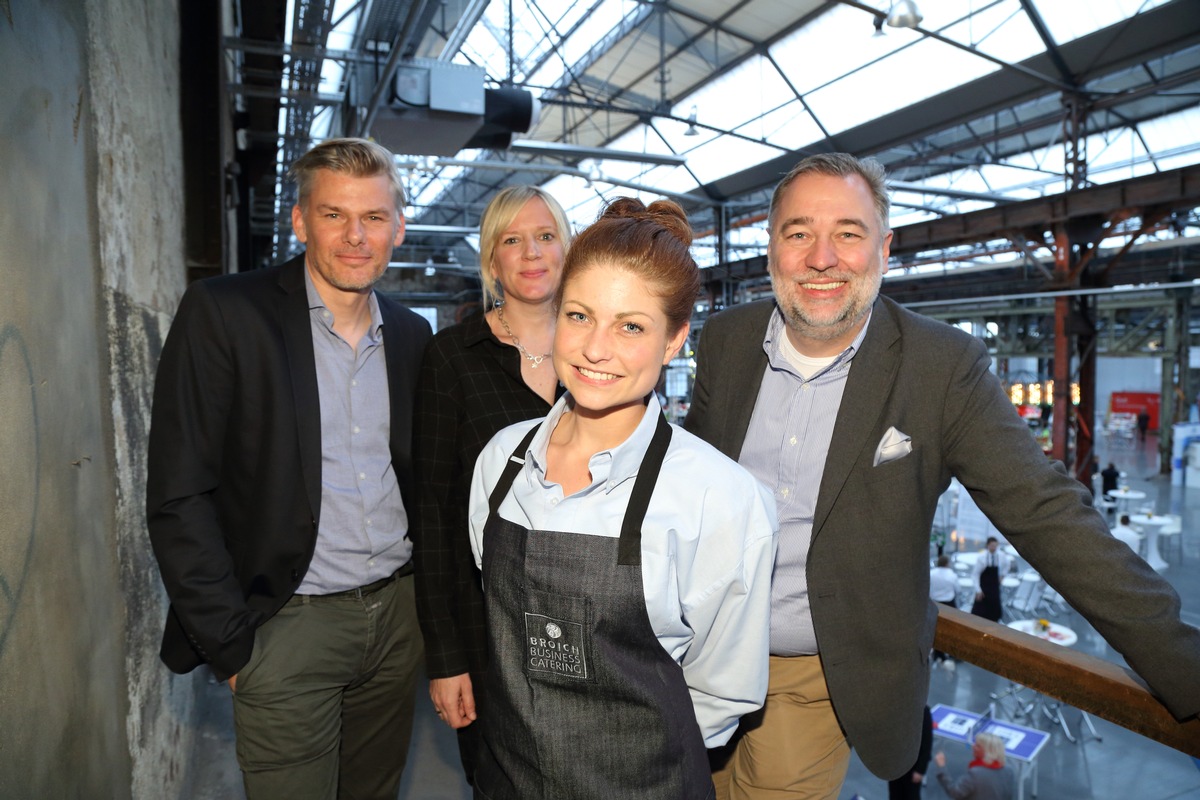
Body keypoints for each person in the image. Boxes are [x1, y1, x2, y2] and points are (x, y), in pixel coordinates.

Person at [684, 152, 1200, 799]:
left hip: (806, 676)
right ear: (771, 248)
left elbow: (1044, 511)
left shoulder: (940, 366)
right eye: (798, 233)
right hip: (690, 652)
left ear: (884, 248)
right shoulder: (726, 341)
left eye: (848, 232)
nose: (822, 258)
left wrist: (1182, 660)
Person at [146, 138, 431, 800]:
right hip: (286, 624)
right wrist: (236, 648)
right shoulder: (225, 312)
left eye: (374, 218)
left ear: (398, 228)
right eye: (334, 215)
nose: (356, 237)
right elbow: (177, 493)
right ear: (300, 221)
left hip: (396, 620)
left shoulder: (413, 334)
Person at [468, 197, 778, 799]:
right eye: (580, 316)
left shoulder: (719, 499)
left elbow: (720, 693)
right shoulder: (500, 463)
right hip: (506, 778)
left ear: (673, 341)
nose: (595, 348)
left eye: (631, 326)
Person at [412, 185, 572, 780]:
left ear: (567, 249)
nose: (531, 253)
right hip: (487, 630)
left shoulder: (602, 351)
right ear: (492, 260)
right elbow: (431, 512)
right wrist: (446, 655)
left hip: (590, 621)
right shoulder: (452, 357)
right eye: (512, 240)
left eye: (545, 236)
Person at [933, 732, 1014, 800]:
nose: (973, 746)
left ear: (988, 751)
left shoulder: (975, 774)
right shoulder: (1008, 770)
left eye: (978, 746)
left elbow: (955, 792)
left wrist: (941, 767)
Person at [888, 706, 933, 800]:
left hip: (913, 766)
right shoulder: (893, 708)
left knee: (911, 796)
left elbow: (927, 743)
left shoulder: (923, 710)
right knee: (894, 795)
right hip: (895, 765)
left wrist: (920, 770)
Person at [969, 537, 1010, 623]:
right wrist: (978, 590)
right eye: (992, 545)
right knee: (979, 611)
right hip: (984, 587)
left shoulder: (1001, 556)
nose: (994, 548)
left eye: (995, 546)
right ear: (988, 545)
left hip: (994, 587)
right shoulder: (982, 557)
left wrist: (1003, 575)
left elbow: (1007, 565)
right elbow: (975, 574)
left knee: (995, 610)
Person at [929, 555, 958, 668]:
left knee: (936, 628)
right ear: (947, 563)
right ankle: (950, 652)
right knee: (950, 629)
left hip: (936, 603)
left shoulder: (932, 573)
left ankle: (937, 653)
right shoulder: (952, 575)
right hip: (949, 604)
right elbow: (957, 589)